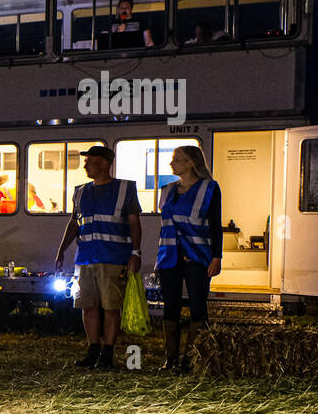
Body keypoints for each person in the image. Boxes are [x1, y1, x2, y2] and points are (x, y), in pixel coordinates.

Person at [54, 145, 142, 370]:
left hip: (113, 258)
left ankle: (107, 354)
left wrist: (135, 252)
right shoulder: (81, 191)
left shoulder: (124, 189)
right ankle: (93, 351)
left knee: (111, 307)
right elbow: (74, 222)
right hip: (85, 258)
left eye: (90, 161)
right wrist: (62, 249)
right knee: (87, 306)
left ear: (104, 163)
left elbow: (134, 222)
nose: (85, 165)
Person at [156, 146, 222, 371]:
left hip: (198, 256)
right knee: (170, 306)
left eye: (177, 160)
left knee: (197, 307)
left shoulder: (209, 188)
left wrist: (217, 257)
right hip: (169, 257)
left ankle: (193, 357)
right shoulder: (166, 190)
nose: (171, 164)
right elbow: (164, 227)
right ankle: (171, 358)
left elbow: (215, 225)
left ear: (192, 163)